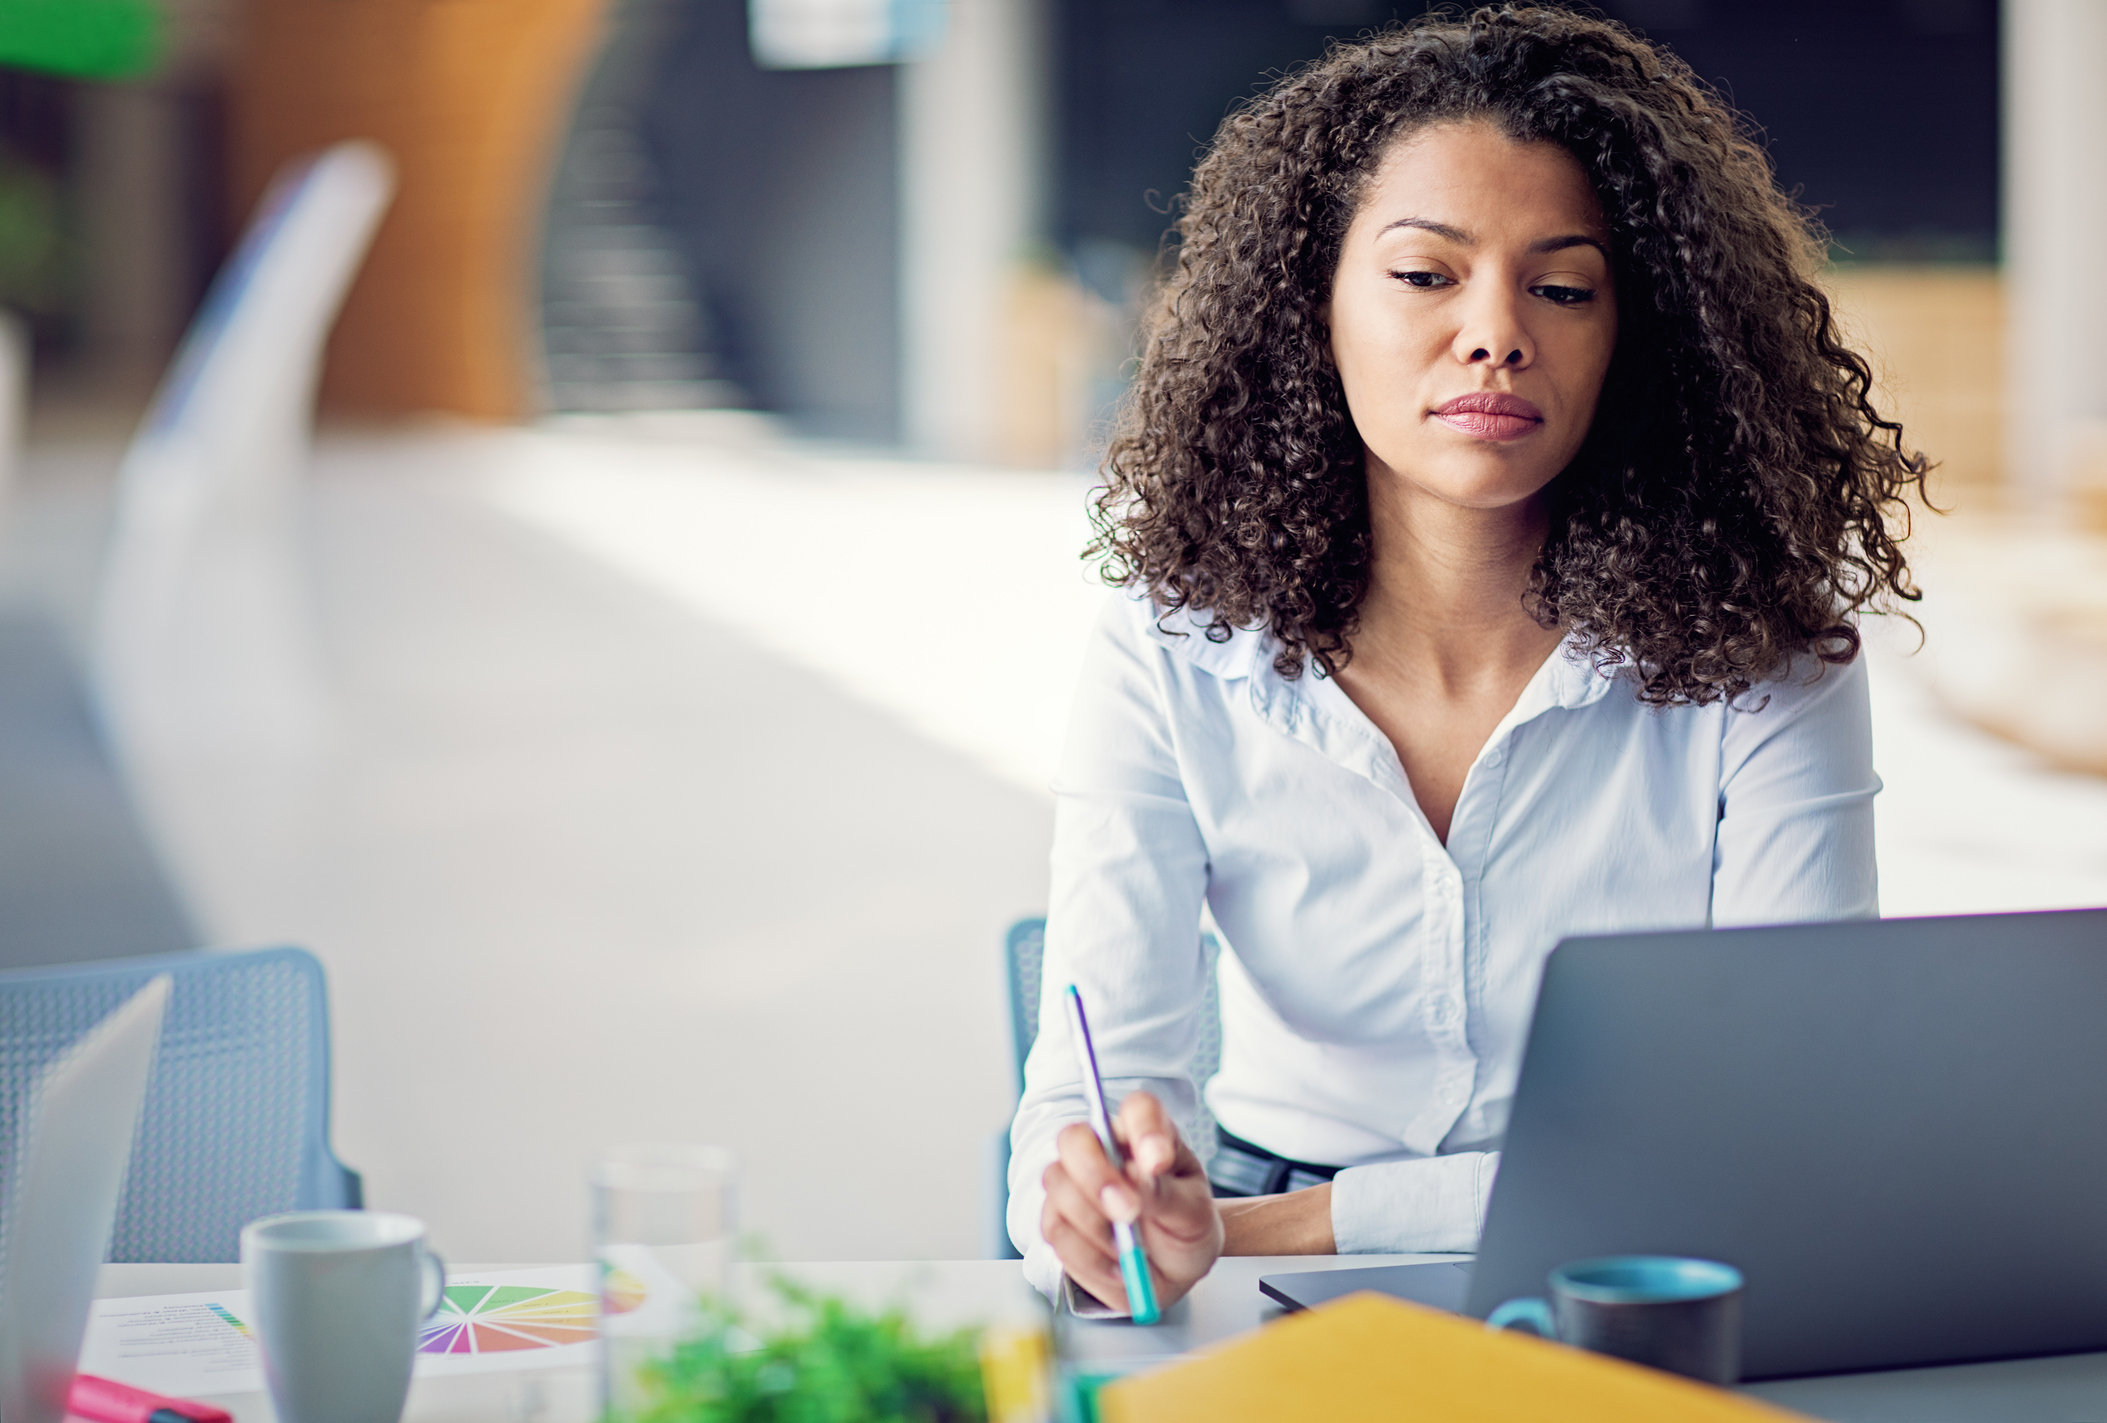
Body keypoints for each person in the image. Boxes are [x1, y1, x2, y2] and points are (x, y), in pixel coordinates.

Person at [1006, 5, 1928, 1315]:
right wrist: (1097, 1207)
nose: (1497, 333)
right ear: (1307, 306)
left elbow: (1790, 1118)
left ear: (1639, 336)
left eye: (1563, 286)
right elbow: (1082, 1107)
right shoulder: (1175, 647)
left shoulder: (1764, 649)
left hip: (1634, 1250)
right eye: (1427, 275)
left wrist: (1302, 1225)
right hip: (1250, 1234)